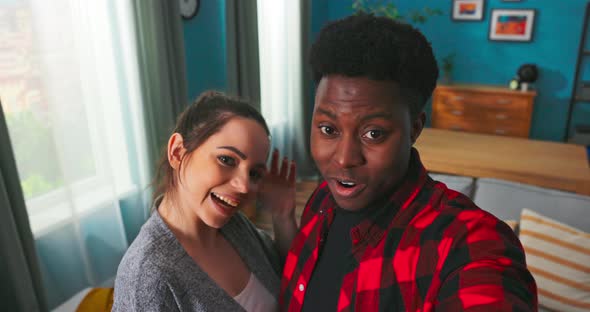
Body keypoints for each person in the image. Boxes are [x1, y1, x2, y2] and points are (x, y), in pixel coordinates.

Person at [279, 13, 537, 311]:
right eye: (328, 129)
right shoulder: (323, 199)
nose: (344, 158)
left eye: (374, 133)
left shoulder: (469, 244)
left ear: (415, 128)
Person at [113, 91, 296, 311]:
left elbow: (287, 275)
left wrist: (283, 215)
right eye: (227, 160)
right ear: (177, 152)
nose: (244, 186)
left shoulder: (235, 226)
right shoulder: (148, 276)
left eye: (254, 174)